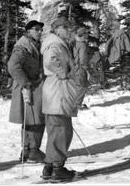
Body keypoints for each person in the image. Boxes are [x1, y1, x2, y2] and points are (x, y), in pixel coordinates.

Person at [40, 16, 87, 181]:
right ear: (58, 28)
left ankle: (50, 166)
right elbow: (50, 60)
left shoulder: (55, 42)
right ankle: (57, 169)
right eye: (66, 28)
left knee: (56, 130)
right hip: (57, 92)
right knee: (62, 131)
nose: (69, 31)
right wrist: (64, 72)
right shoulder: (55, 43)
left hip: (55, 92)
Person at [7, 20, 46, 163]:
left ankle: (28, 150)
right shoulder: (22, 47)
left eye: (41, 29)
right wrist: (26, 84)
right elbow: (12, 66)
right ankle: (32, 151)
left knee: (31, 119)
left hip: (33, 86)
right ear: (28, 31)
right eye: (36, 29)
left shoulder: (33, 45)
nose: (40, 31)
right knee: (36, 120)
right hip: (28, 87)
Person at [104, 19, 130, 90]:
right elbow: (129, 46)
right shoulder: (124, 34)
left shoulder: (114, 34)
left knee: (120, 70)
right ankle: (127, 85)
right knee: (126, 70)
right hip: (125, 54)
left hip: (116, 54)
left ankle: (122, 84)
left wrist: (107, 53)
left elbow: (107, 44)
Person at [72, 26, 90, 109]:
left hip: (75, 68)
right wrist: (85, 68)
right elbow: (83, 58)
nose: (87, 35)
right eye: (86, 33)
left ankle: (75, 103)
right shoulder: (82, 45)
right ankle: (77, 105)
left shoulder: (75, 43)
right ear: (83, 35)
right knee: (82, 87)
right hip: (80, 68)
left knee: (77, 86)